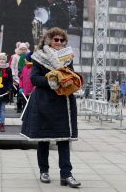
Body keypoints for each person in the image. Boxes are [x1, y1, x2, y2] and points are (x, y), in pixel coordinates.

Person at [20, 27, 81, 188]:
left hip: (63, 101)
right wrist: (53, 81)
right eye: (56, 39)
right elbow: (34, 79)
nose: (59, 42)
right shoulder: (39, 56)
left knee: (63, 140)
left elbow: (71, 74)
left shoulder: (68, 57)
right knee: (44, 139)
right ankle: (44, 171)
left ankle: (66, 174)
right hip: (44, 101)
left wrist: (72, 80)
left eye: (62, 40)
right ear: (49, 40)